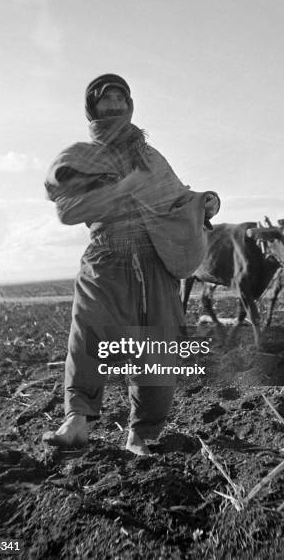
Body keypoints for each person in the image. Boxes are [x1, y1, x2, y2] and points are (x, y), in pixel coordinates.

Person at [42, 74, 220, 455]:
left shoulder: (151, 158)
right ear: (93, 108)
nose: (115, 105)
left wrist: (205, 201)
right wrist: (120, 190)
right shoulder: (81, 157)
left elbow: (179, 197)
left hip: (155, 257)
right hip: (107, 256)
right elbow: (68, 207)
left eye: (121, 98)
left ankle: (142, 435)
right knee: (88, 333)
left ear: (130, 105)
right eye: (107, 100)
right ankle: (77, 420)